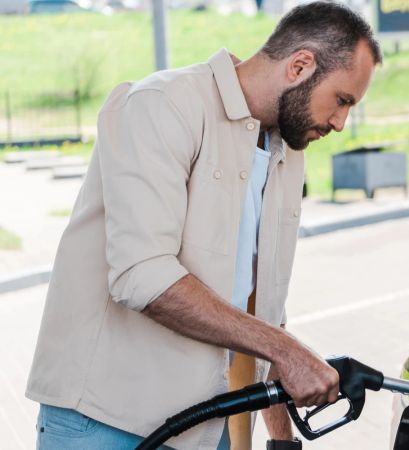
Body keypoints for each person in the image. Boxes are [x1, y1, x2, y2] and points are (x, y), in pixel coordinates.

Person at [25, 2, 381, 449]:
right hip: (104, 423)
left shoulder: (287, 152)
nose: (340, 122)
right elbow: (142, 275)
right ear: (300, 65)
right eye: (342, 100)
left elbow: (261, 308)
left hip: (206, 430)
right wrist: (287, 350)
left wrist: (282, 439)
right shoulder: (162, 106)